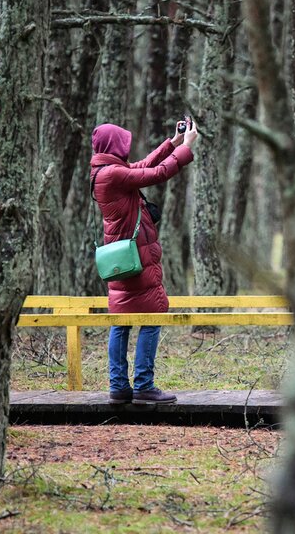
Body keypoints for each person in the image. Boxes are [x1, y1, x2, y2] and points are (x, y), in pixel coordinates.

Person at [90, 118, 198, 404]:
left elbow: (142, 165)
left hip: (122, 256)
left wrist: (173, 142)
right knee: (153, 314)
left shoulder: (106, 171)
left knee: (122, 319)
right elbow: (157, 173)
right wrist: (186, 148)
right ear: (114, 146)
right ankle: (144, 385)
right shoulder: (112, 174)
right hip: (134, 258)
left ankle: (119, 387)